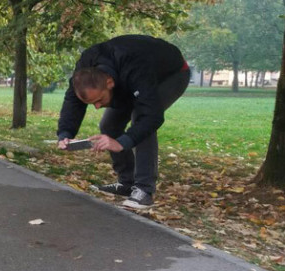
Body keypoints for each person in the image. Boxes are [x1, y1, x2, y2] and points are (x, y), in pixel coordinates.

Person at [56, 34, 190, 210]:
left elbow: (151, 116)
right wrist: (65, 133)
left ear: (109, 82)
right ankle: (127, 183)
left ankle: (144, 191)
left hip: (171, 74)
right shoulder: (84, 70)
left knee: (140, 119)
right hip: (127, 78)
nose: (96, 107)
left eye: (99, 100)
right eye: (92, 103)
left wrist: (121, 142)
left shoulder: (134, 66)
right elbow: (73, 101)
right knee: (109, 126)